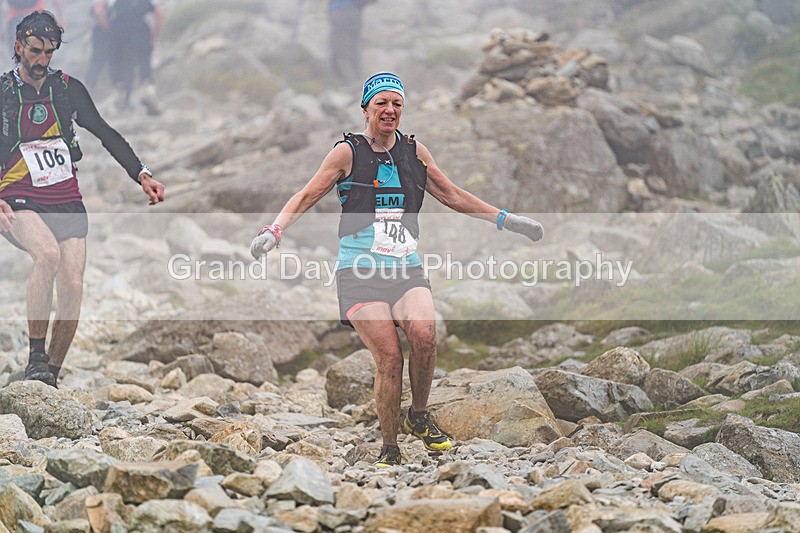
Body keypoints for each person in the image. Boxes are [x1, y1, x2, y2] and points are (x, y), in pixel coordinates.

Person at [250, 72, 543, 466]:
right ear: (366, 109)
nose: (389, 111)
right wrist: (275, 230)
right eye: (381, 103)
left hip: (405, 266)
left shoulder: (415, 151)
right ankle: (390, 447)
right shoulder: (346, 153)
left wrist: (507, 219)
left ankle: (419, 416)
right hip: (359, 271)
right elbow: (306, 195)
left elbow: (452, 194)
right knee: (390, 357)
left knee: (424, 335)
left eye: (397, 104)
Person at [0, 11, 165, 388]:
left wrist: (141, 173)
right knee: (48, 256)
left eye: (49, 52)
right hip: (16, 194)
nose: (42, 60)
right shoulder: (4, 92)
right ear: (18, 47)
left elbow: (105, 131)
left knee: (73, 282)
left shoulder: (67, 88)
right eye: (35, 51)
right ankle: (36, 357)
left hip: (64, 195)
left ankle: (49, 377)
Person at [95, 0, 164, 114]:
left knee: (121, 65)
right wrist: (154, 38)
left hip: (118, 28)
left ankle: (120, 99)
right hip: (140, 28)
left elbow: (98, 10)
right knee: (144, 62)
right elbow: (159, 13)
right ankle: (147, 92)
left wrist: (108, 30)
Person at [327, 0, 374, 86]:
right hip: (355, 11)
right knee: (353, 46)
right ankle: (358, 80)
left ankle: (351, 83)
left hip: (340, 10)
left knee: (341, 50)